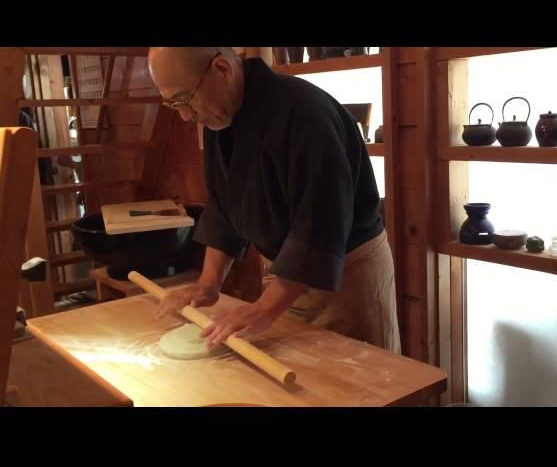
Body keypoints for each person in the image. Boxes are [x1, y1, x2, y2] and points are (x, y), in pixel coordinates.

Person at [147, 47, 400, 353]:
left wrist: (265, 307)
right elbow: (224, 208)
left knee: (358, 389)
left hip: (345, 279)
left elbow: (319, 229)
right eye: (174, 104)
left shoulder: (306, 114)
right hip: (287, 277)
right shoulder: (219, 115)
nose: (186, 115)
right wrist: (208, 283)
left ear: (222, 68)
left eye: (185, 99)